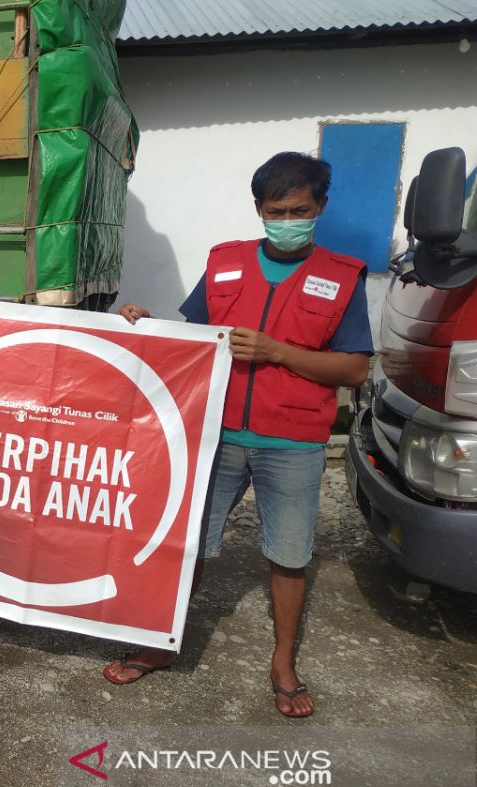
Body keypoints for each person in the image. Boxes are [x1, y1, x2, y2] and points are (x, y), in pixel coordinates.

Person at [106, 152, 373, 718]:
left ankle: (283, 664)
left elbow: (353, 369)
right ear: (259, 209)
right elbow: (191, 338)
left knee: (289, 557)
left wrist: (278, 352)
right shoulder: (225, 263)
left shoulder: (343, 277)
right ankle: (161, 643)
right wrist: (144, 319)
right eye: (277, 210)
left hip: (295, 441)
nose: (288, 219)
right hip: (216, 433)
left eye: (300, 209)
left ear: (319, 208)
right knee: (187, 544)